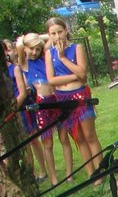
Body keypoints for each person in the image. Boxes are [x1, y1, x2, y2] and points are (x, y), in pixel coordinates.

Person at [44, 17, 103, 179]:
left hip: (80, 95)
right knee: (79, 138)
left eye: (60, 32)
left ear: (66, 31)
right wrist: (75, 76)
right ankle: (91, 174)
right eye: (53, 33)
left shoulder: (76, 48)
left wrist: (63, 58)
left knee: (90, 136)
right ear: (49, 35)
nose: (57, 36)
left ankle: (101, 172)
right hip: (63, 98)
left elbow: (83, 73)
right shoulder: (49, 54)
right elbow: (51, 80)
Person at [16, 32, 73, 185]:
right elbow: (19, 45)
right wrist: (26, 40)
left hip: (57, 100)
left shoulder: (45, 57)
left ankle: (69, 175)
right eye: (31, 49)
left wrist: (39, 40)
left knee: (64, 138)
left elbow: (50, 37)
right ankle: (53, 179)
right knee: (47, 143)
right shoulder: (24, 63)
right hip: (42, 104)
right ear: (25, 48)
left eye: (38, 49)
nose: (34, 52)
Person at [5, 39, 46, 181]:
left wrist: (12, 108)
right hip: (8, 113)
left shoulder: (15, 68)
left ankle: (42, 171)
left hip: (21, 108)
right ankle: (30, 173)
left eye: (8, 49)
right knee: (21, 144)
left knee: (32, 139)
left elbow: (22, 92)